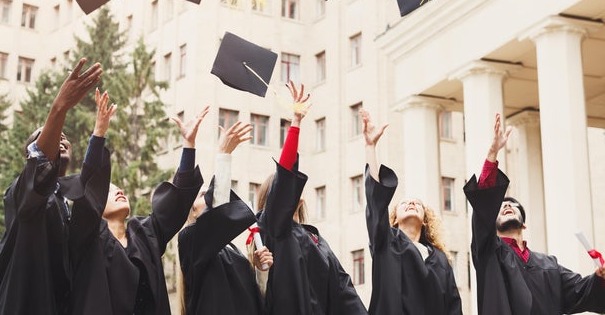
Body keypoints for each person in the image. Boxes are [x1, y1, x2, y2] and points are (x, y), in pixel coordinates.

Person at [68, 106, 208, 315]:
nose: (119, 191)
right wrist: (98, 134)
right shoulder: (87, 238)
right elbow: (89, 189)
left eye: (118, 188)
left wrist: (189, 145)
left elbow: (175, 203)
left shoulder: (144, 233)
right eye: (109, 190)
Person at [0, 59, 106, 315]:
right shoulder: (20, 194)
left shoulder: (69, 202)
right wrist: (59, 109)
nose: (61, 137)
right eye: (52, 136)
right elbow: (40, 166)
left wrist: (99, 134)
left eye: (63, 135)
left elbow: (88, 184)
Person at [464, 113, 605, 314]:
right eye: (501, 206)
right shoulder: (489, 252)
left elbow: (582, 291)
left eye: (513, 205)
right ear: (491, 223)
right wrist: (493, 153)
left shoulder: (549, 265)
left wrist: (600, 277)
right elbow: (483, 209)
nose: (507, 206)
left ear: (524, 224)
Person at [255, 81, 368, 315]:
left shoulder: (316, 238)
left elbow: (345, 292)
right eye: (282, 190)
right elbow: (285, 174)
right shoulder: (274, 227)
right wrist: (295, 124)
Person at [360, 109, 462, 315]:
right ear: (394, 219)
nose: (411, 204)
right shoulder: (385, 243)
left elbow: (453, 306)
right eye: (404, 203)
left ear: (425, 220)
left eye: (417, 203)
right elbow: (375, 203)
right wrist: (371, 147)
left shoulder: (440, 259)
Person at [178, 120, 273, 315]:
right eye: (203, 195)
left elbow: (255, 300)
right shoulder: (190, 240)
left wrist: (261, 271)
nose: (209, 197)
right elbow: (217, 213)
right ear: (192, 210)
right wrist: (223, 155)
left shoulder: (232, 250)